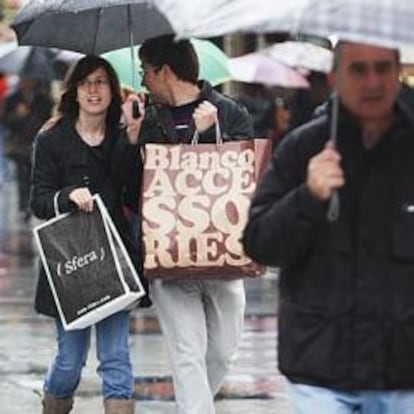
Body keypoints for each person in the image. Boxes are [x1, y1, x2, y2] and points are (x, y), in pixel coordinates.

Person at [242, 41, 414, 414]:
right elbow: (259, 243)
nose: (372, 81)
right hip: (320, 370)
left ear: (397, 73)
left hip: (402, 370)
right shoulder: (302, 148)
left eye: (382, 68)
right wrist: (308, 196)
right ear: (336, 77)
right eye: (358, 69)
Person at [127, 35, 253, 414]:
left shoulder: (230, 112)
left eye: (145, 71)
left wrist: (214, 136)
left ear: (164, 71)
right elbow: (130, 191)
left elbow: (242, 176)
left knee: (223, 351)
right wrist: (131, 141)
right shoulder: (146, 118)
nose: (143, 80)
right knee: (187, 352)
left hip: (222, 252)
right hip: (168, 255)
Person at [30, 55, 149, 414]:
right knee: (70, 360)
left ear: (113, 91)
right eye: (86, 83)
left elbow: (135, 194)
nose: (94, 90)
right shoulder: (51, 137)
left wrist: (132, 138)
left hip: (114, 259)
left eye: (101, 82)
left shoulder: (122, 134)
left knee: (115, 358)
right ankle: (53, 402)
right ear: (74, 90)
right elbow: (38, 200)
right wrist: (66, 196)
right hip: (71, 263)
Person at [3, 78, 53, 220]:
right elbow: (6, 121)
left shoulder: (43, 98)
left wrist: (31, 115)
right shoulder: (13, 98)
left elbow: (47, 120)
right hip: (19, 144)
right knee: (21, 175)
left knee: (34, 175)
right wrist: (17, 115)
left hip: (36, 142)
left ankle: (33, 204)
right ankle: (23, 206)